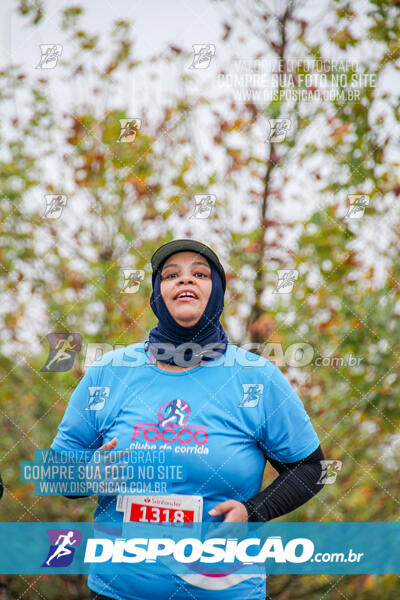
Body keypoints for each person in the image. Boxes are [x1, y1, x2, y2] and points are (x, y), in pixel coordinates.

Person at [50, 239, 325, 600]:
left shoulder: (257, 377)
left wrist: (252, 511)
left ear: (218, 292)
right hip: (119, 592)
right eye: (171, 275)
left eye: (199, 274)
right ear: (156, 293)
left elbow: (311, 469)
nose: (185, 281)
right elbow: (57, 472)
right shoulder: (110, 372)